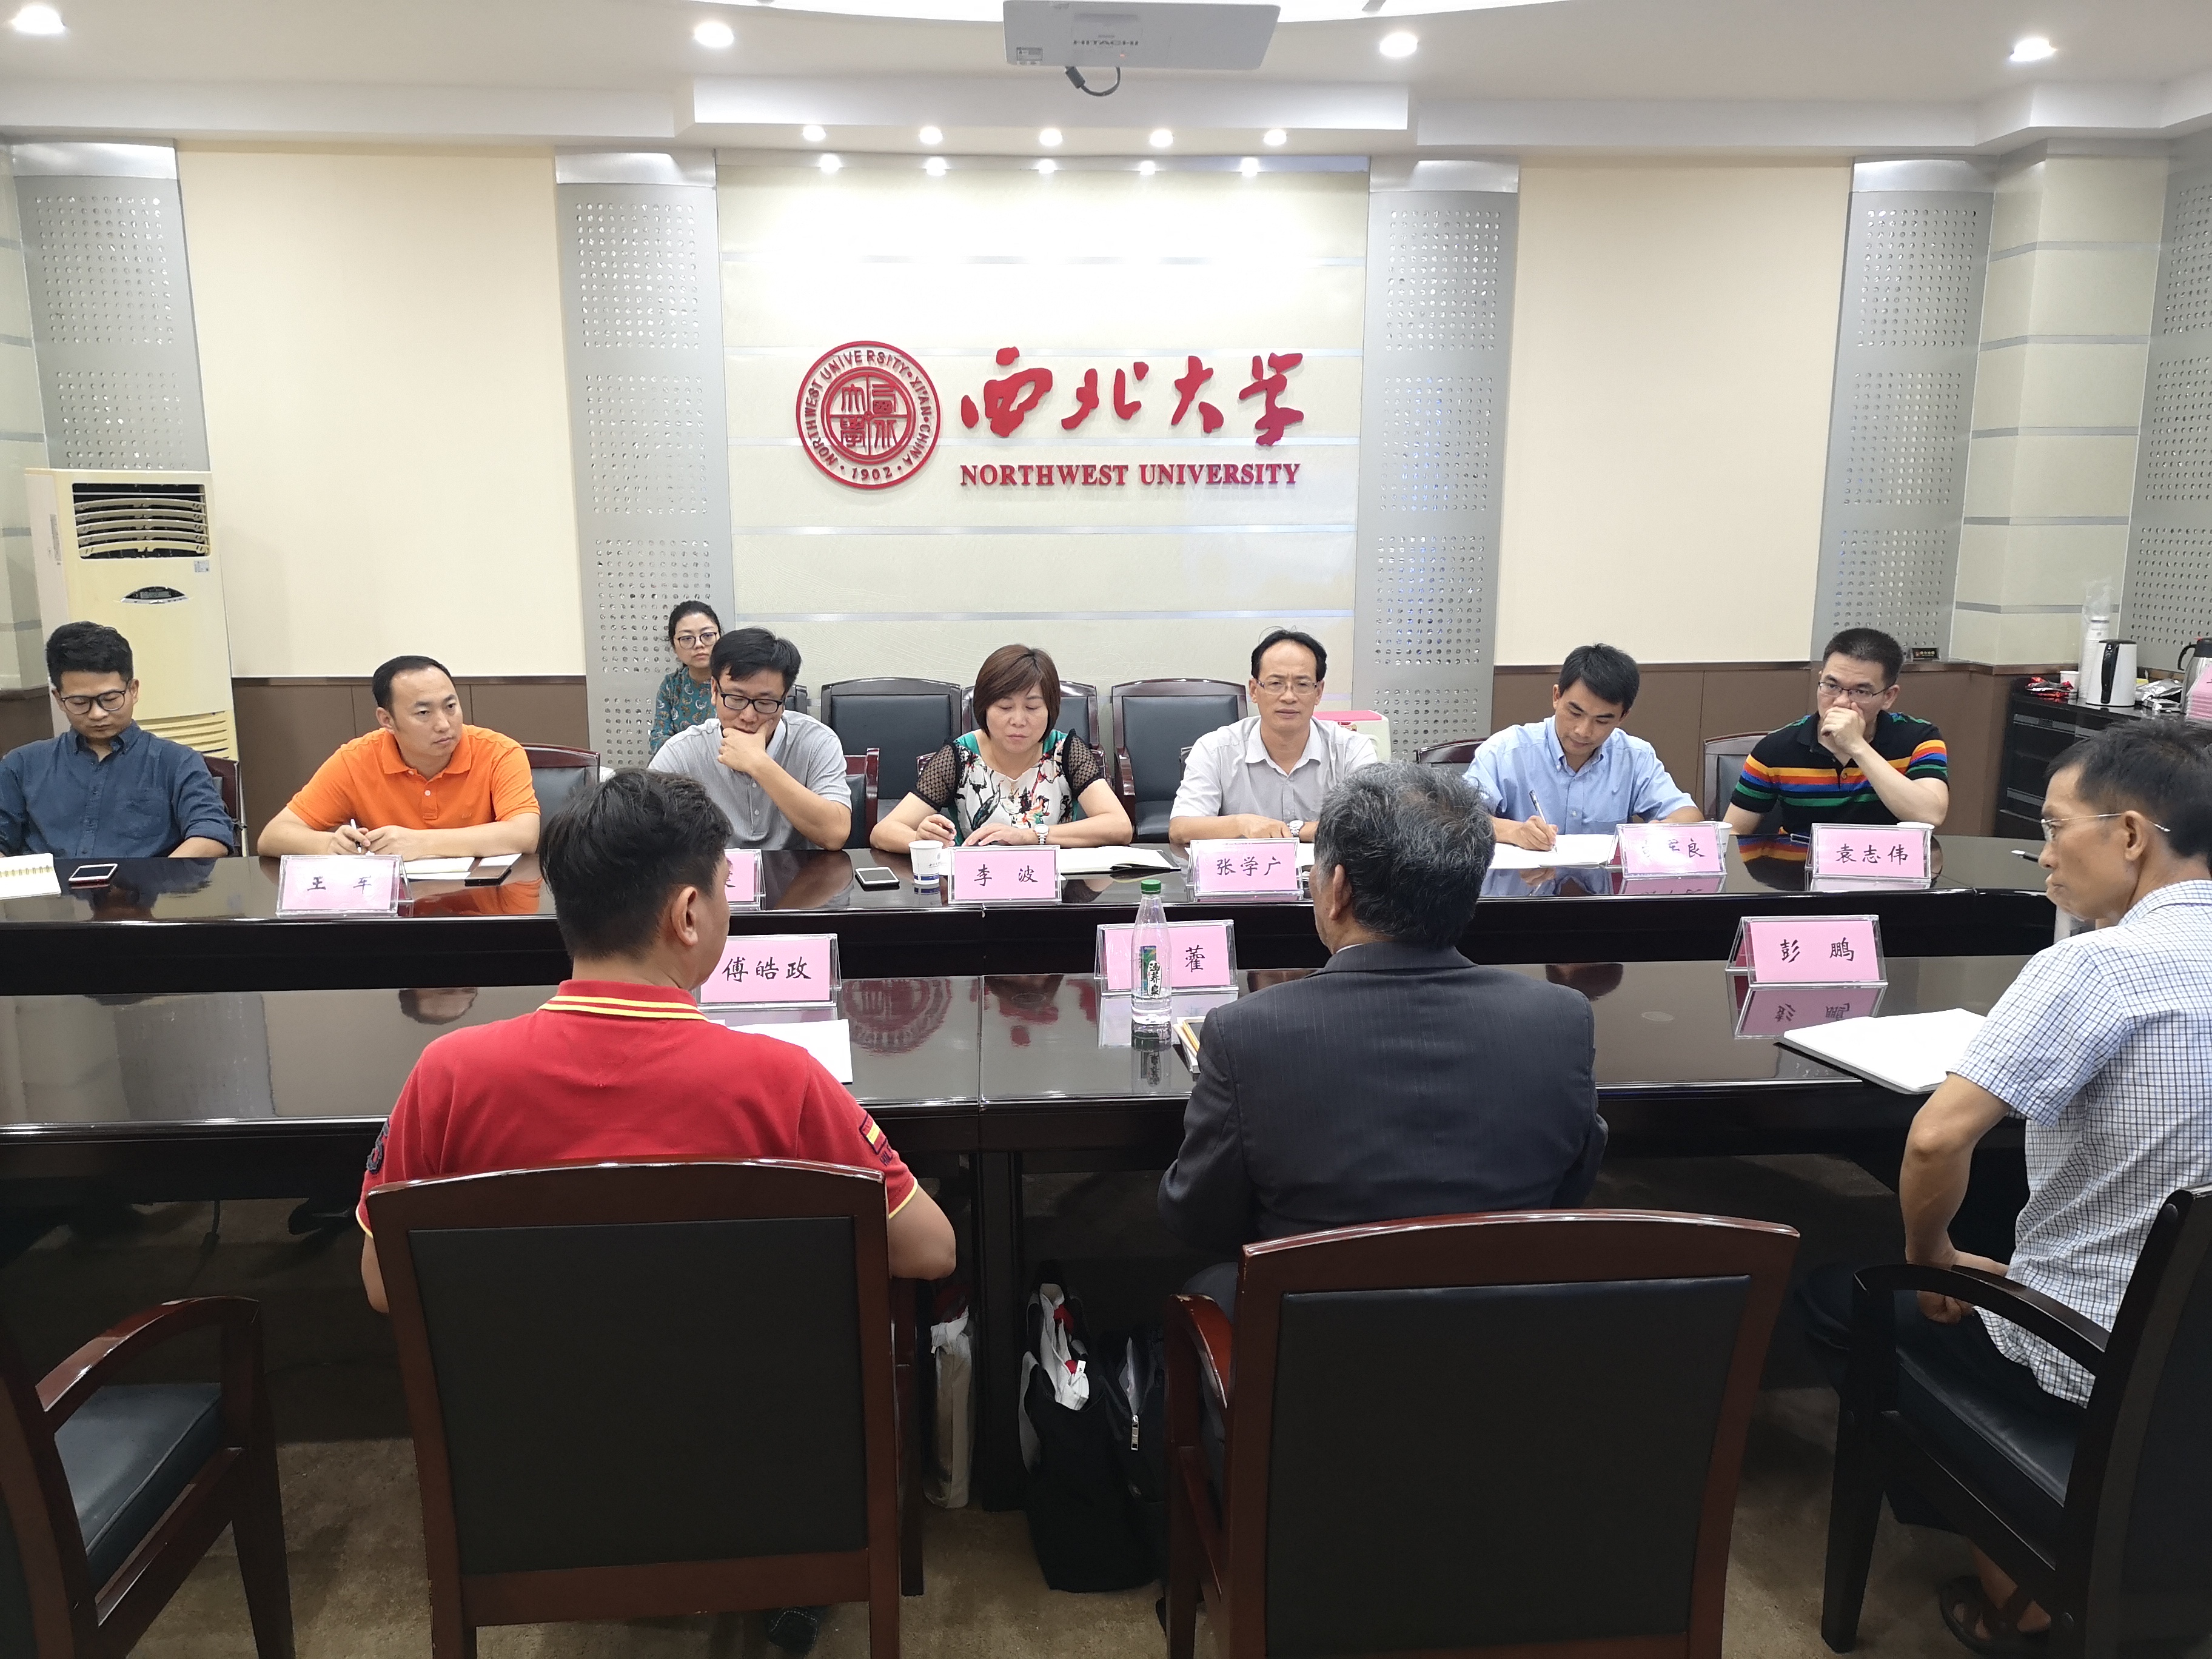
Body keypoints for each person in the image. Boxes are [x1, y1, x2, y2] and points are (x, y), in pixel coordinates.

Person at [356, 770, 957, 1656]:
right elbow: (931, 1250)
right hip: (764, 1481)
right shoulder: (782, 1082)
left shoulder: (447, 1076)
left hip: (531, 1486)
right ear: (688, 914)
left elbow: (383, 1284)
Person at [1796, 719, 2212, 1652]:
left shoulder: (2094, 968)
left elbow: (1937, 1141)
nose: (2045, 853)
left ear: (2131, 835)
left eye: (2057, 828)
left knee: (1844, 1298)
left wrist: (1930, 1257)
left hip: (2098, 1364)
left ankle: (2022, 1595)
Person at [1158, 762, 1606, 1273]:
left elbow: (1197, 1217)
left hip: (1313, 1315)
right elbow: (1573, 1183)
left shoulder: (1246, 1033)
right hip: (1504, 1311)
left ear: (1338, 890)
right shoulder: (1561, 1019)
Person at [258, 655, 541, 859]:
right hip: (394, 907)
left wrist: (421, 843)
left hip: (485, 905)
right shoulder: (356, 760)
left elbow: (524, 834)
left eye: (450, 706)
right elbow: (273, 836)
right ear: (387, 720)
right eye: (423, 713)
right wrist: (330, 845)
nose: (444, 724)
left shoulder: (499, 752)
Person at [0, 622, 234, 860]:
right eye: (80, 702)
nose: (97, 714)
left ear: (133, 690)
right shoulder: (21, 765)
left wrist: (160, 877)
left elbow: (211, 835)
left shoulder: (177, 762)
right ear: (59, 699)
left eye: (110, 699)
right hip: (47, 884)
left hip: (146, 883)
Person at [873, 644, 1131, 852]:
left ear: (1051, 710)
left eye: (1032, 707)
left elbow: (1120, 826)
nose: (1018, 720)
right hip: (978, 889)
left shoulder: (1065, 751)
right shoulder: (960, 756)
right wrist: (921, 841)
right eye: (1005, 707)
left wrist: (1030, 836)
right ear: (984, 709)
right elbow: (883, 832)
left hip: (1053, 890)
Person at [1467, 643, 1700, 850]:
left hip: (1603, 886)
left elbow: (1689, 816)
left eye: (1602, 721)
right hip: (1525, 884)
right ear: (1557, 696)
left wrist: (1664, 830)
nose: (1583, 731)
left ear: (1623, 717)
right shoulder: (1507, 751)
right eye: (1575, 713)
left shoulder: (1635, 757)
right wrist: (1514, 832)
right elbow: (1460, 818)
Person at [1724, 627, 1948, 836]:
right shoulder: (1775, 748)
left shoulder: (1920, 738)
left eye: (1860, 691)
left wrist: (1857, 747)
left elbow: (1930, 815)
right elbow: (1733, 834)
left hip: (1883, 863)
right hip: (1799, 864)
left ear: (1888, 697)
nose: (1841, 702)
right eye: (1831, 686)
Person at [649, 628, 852, 851]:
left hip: (800, 871)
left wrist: (758, 763)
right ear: (715, 690)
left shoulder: (816, 741)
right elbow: (643, 833)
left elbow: (835, 835)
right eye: (736, 699)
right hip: (714, 871)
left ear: (784, 699)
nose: (748, 716)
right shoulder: (682, 751)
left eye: (765, 703)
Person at [1168, 629, 1375, 846]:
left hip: (1326, 868)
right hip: (1246, 867)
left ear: (1319, 692)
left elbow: (1373, 825)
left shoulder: (1352, 750)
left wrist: (1295, 830)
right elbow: (1180, 829)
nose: (1289, 697)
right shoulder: (1215, 749)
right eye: (1276, 684)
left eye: (1302, 685)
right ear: (1254, 690)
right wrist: (1242, 824)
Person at [648, 600, 722, 757]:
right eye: (687, 638)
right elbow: (658, 740)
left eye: (708, 636)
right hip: (678, 766)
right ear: (674, 646)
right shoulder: (671, 685)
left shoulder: (734, 682)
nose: (699, 644)